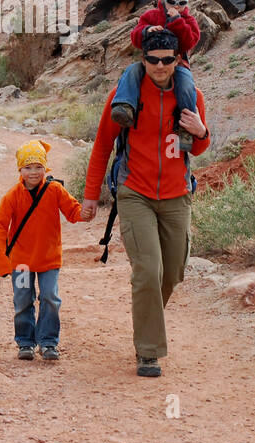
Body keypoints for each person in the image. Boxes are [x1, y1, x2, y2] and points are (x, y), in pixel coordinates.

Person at [83, 29, 209, 378]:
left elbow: (194, 149)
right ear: (143, 59)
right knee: (148, 270)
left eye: (168, 59)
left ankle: (147, 316)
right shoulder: (123, 97)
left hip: (176, 195)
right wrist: (91, 196)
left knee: (173, 271)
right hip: (134, 193)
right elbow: (102, 147)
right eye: (153, 59)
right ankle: (148, 351)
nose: (160, 66)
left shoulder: (190, 96)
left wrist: (200, 131)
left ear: (177, 60)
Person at [0, 140, 91, 361]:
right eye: (28, 167)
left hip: (48, 259)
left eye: (38, 166)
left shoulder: (55, 190)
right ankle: (25, 342)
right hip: (22, 262)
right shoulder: (13, 195)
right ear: (20, 169)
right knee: (23, 300)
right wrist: (1, 260)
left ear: (46, 168)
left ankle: (48, 342)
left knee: (49, 297)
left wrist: (85, 212)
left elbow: (72, 210)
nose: (34, 172)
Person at [111, 0, 202, 148]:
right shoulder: (151, 16)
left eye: (182, 3)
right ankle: (125, 107)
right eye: (172, 2)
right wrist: (146, 31)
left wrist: (177, 22)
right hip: (149, 63)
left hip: (177, 65)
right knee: (131, 72)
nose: (177, 6)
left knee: (186, 84)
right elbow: (135, 37)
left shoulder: (188, 20)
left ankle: (184, 128)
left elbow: (189, 42)